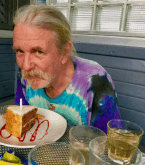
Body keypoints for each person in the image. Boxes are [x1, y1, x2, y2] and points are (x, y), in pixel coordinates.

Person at [12, 4, 121, 133]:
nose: (25, 65)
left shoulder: (96, 82)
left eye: (38, 52)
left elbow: (108, 145)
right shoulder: (26, 73)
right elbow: (21, 120)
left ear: (64, 52)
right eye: (20, 51)